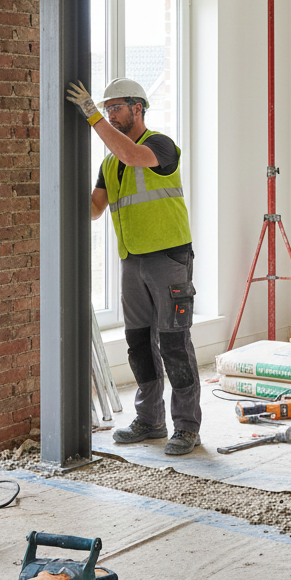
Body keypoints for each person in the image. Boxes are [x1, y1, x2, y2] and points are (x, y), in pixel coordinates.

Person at [66, 77, 201, 456]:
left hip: (169, 258)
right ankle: (151, 420)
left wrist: (92, 116)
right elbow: (94, 210)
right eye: (106, 107)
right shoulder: (109, 163)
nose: (110, 113)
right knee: (139, 345)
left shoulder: (160, 144)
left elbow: (131, 155)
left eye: (116, 107)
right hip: (132, 261)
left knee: (174, 343)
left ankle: (188, 427)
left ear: (137, 108)